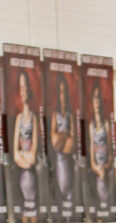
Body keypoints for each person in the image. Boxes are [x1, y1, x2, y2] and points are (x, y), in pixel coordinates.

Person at [13, 68, 39, 221]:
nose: (23, 92)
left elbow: (33, 154)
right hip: (21, 171)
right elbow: (16, 154)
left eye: (25, 87)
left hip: (30, 171)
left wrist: (26, 157)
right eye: (20, 88)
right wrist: (24, 158)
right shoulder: (18, 118)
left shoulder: (34, 118)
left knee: (32, 206)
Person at [50, 74, 75, 205]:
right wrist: (65, 135)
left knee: (69, 186)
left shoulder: (70, 116)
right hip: (58, 158)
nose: (63, 95)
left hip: (68, 158)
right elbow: (55, 143)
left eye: (64, 92)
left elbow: (71, 144)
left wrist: (61, 137)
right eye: (60, 92)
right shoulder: (55, 115)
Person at [88, 81, 113, 206]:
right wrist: (96, 168)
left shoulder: (106, 124)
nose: (96, 102)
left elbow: (110, 151)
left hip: (105, 167)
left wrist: (106, 166)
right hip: (96, 168)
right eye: (94, 98)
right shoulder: (91, 126)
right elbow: (91, 152)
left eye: (98, 98)